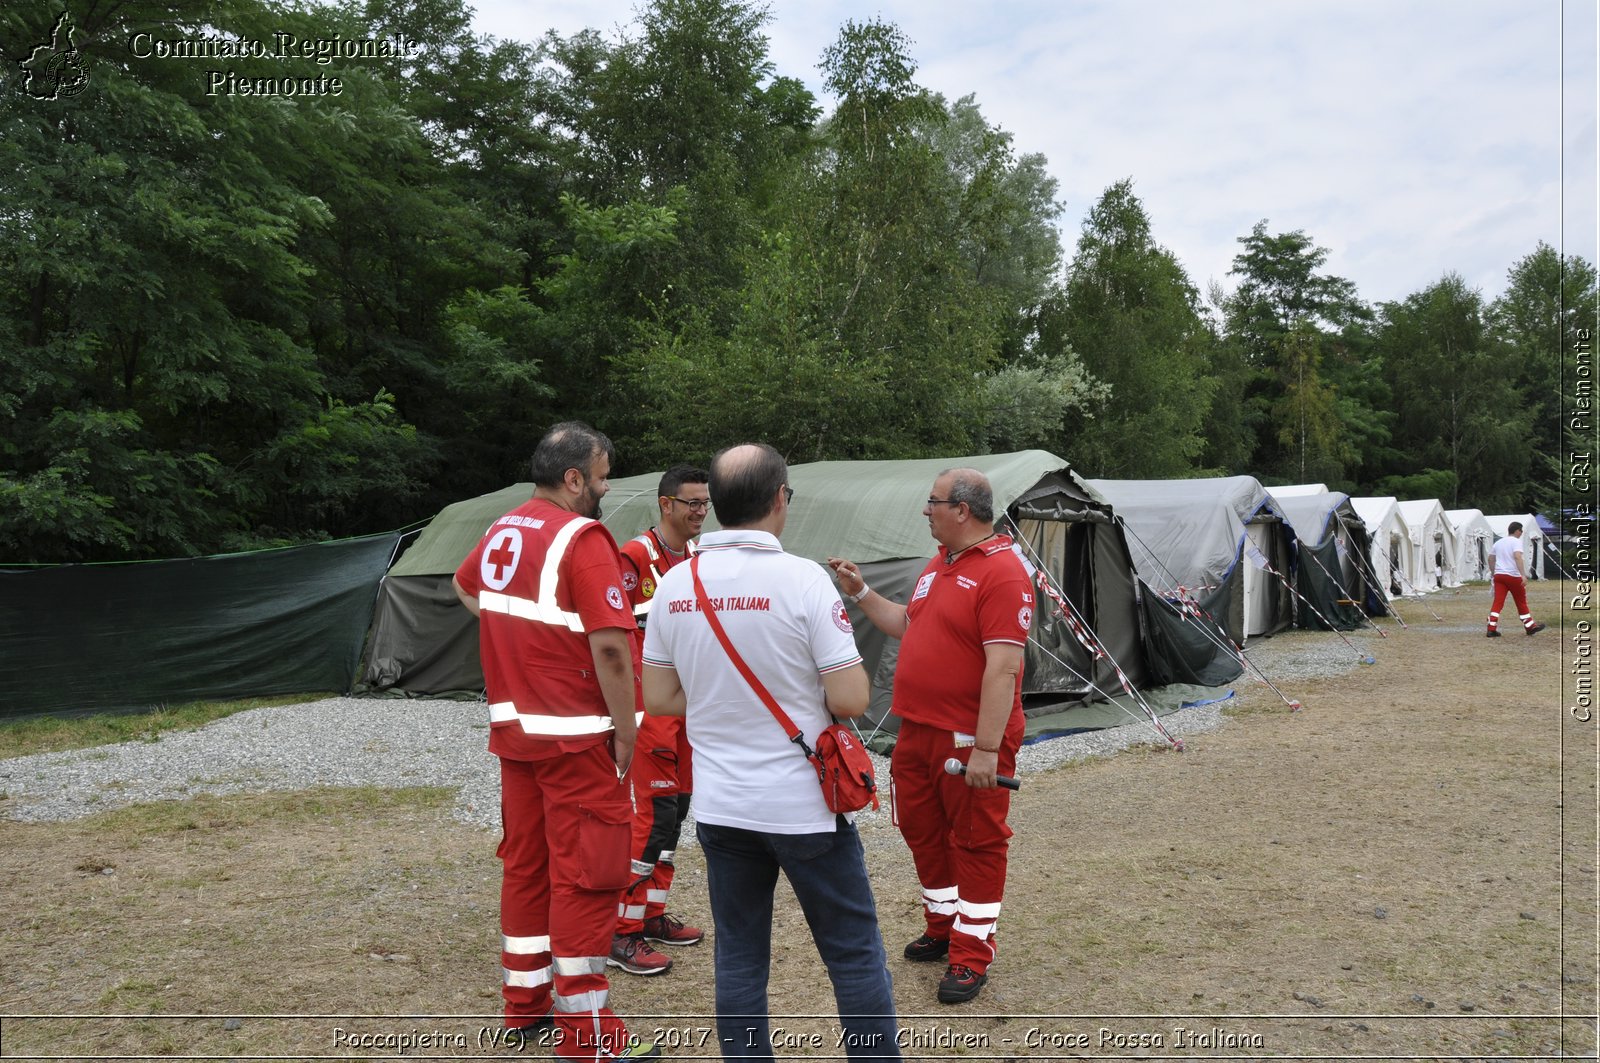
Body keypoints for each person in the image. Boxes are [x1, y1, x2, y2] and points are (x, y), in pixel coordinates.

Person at [641, 443, 901, 1062]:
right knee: (853, 953)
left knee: (739, 955)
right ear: (780, 499)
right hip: (805, 805)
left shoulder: (677, 581)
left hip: (724, 808)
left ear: (719, 507)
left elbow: (661, 696)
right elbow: (849, 698)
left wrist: (720, 697)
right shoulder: (804, 579)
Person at [452, 421, 661, 1062]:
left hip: (518, 735)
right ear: (573, 478)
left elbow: (465, 588)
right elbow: (610, 647)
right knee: (588, 877)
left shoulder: (502, 527)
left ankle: (526, 1007)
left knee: (527, 866)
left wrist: (521, 644)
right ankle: (589, 1040)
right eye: (600, 477)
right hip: (576, 740)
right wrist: (628, 730)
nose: (604, 489)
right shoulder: (582, 536)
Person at [828, 468, 1032, 1006]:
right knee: (922, 830)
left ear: (962, 510)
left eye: (933, 502)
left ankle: (971, 953)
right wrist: (862, 592)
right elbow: (908, 623)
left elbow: (1004, 668)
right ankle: (942, 925)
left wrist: (987, 747)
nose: (926, 510)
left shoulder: (1003, 573)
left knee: (977, 840)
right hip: (918, 730)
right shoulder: (942, 563)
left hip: (968, 738)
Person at [610, 465, 711, 977]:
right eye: (691, 502)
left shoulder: (699, 557)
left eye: (705, 502)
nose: (700, 511)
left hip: (687, 711)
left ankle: (650, 915)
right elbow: (610, 634)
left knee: (677, 813)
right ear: (665, 503)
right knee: (650, 820)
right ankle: (619, 932)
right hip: (649, 711)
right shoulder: (634, 556)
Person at [1486, 521, 1546, 637]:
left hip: (1499, 576)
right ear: (1517, 531)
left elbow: (1490, 559)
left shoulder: (1498, 543)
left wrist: (1494, 573)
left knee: (1498, 602)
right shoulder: (1516, 542)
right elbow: (1517, 557)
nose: (1522, 533)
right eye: (1521, 531)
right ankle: (1529, 626)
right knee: (1521, 601)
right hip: (1512, 576)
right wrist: (1523, 575)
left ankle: (1491, 627)